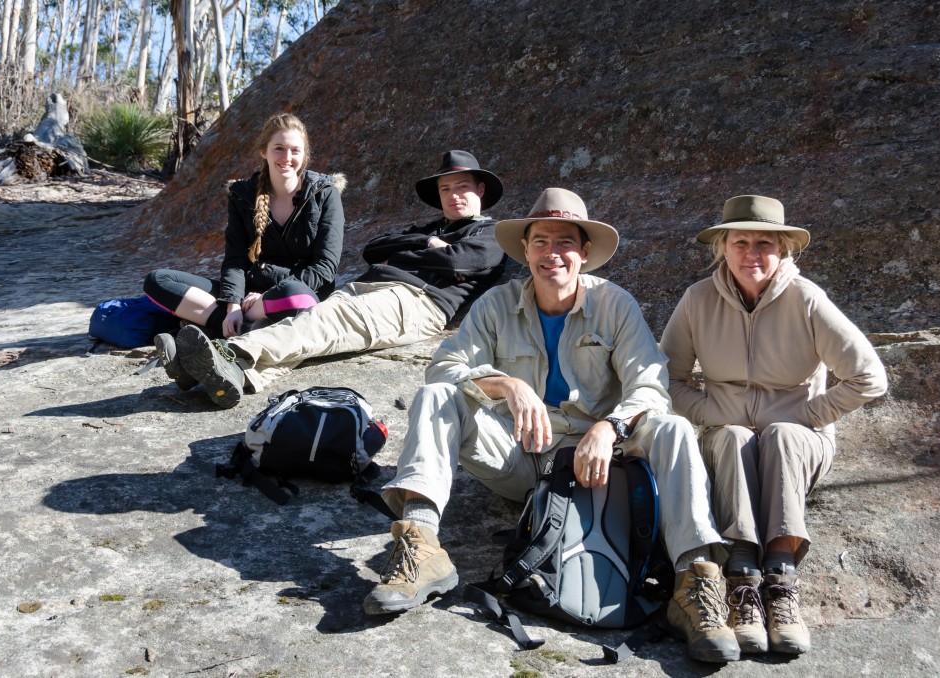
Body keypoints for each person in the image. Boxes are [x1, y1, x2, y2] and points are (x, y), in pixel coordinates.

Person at [363, 188, 742, 664]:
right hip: (520, 459)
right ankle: (421, 546)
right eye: (540, 241)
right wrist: (507, 385)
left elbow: (651, 387)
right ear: (525, 250)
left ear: (584, 253)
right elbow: (444, 367)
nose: (551, 254)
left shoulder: (615, 304)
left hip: (595, 470)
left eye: (564, 242)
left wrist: (609, 428)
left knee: (672, 428)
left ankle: (694, 585)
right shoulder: (497, 305)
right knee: (438, 395)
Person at [659, 195, 888, 656]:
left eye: (765, 242)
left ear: (783, 250)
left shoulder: (806, 299)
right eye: (740, 241)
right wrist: (709, 414)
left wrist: (807, 417)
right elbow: (667, 378)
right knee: (732, 435)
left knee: (781, 435)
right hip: (726, 444)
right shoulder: (697, 300)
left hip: (799, 444)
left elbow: (870, 378)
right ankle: (743, 578)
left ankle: (781, 579)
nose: (751, 253)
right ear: (721, 247)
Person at [170, 150, 507, 408]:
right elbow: (375, 249)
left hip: (417, 300)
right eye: (445, 188)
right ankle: (227, 377)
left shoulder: (491, 231)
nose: (453, 195)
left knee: (323, 320)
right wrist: (425, 243)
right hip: (367, 287)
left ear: (480, 189)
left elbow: (464, 259)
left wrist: (404, 256)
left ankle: (227, 354)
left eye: (462, 187)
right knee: (309, 329)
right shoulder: (426, 230)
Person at [145, 112, 345, 390]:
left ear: (304, 155)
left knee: (293, 295)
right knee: (158, 280)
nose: (287, 157)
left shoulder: (324, 193)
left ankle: (217, 335)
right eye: (279, 148)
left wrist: (265, 293)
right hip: (248, 295)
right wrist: (233, 305)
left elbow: (324, 269)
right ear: (263, 151)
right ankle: (234, 327)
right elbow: (235, 260)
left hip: (298, 296)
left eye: (295, 150)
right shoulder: (242, 194)